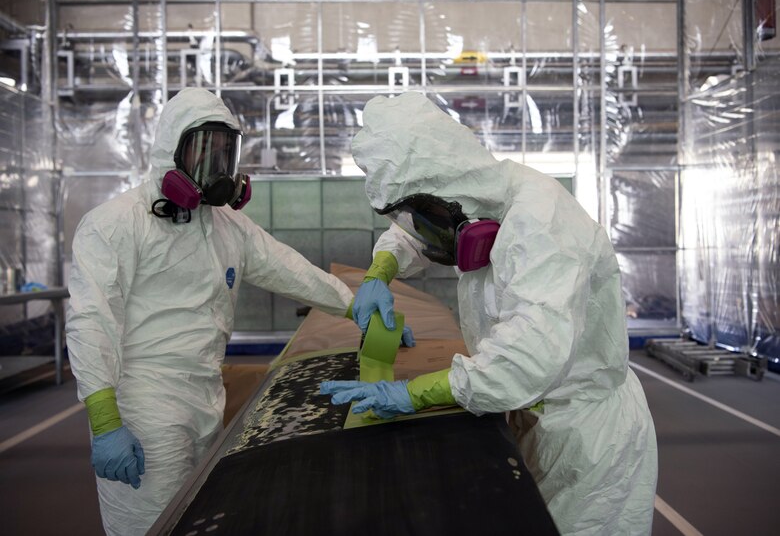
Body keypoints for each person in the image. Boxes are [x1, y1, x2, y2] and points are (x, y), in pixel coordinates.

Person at [321, 91, 658, 535]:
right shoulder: (472, 196)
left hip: (588, 441)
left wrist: (411, 394)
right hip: (530, 416)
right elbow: (412, 234)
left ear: (449, 187)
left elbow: (526, 359)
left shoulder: (543, 224)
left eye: (419, 214)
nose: (419, 232)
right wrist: (378, 274)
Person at [66, 87, 355, 536]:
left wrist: (355, 305)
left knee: (200, 521)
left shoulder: (225, 225)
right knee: (153, 526)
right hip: (144, 406)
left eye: (225, 157)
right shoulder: (116, 223)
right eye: (205, 154)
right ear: (172, 151)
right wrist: (105, 421)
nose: (217, 171)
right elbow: (91, 322)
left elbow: (289, 270)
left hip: (207, 397)